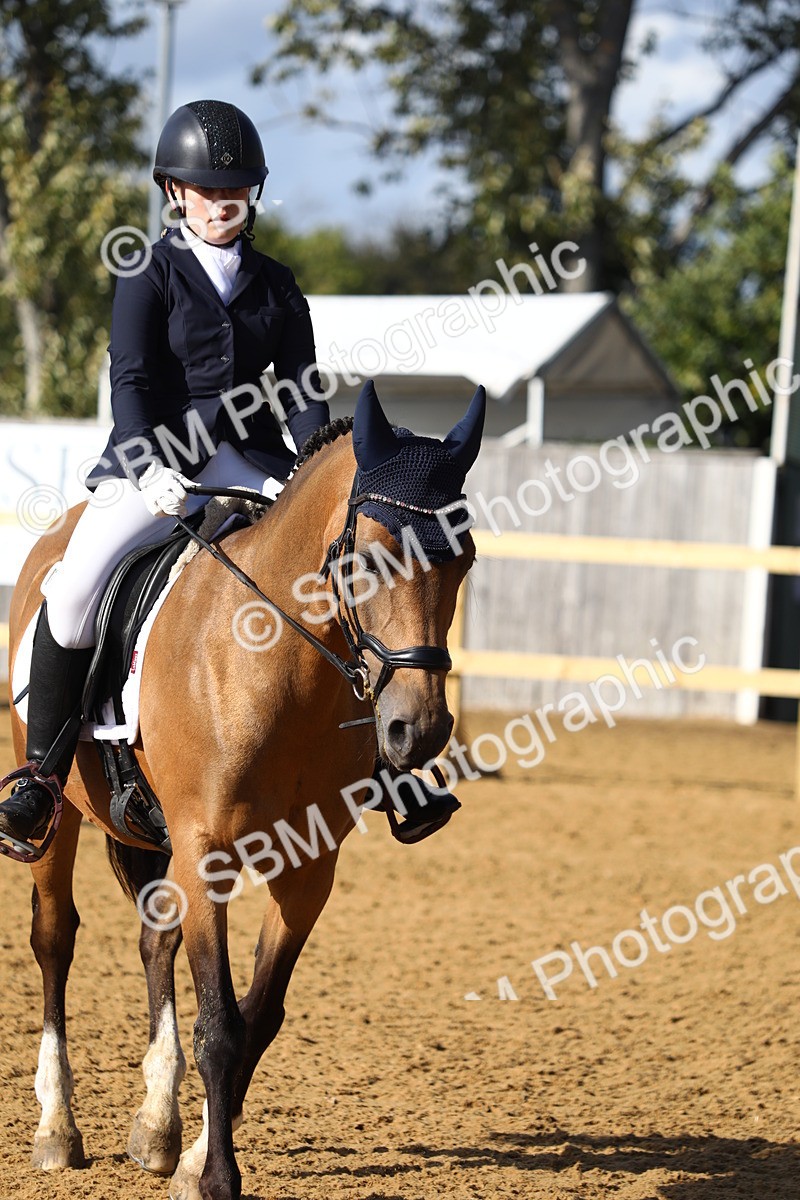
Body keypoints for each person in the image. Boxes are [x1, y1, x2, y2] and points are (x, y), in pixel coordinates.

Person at [0, 99, 331, 846]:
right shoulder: (148, 273)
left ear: (254, 194)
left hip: (251, 461)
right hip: (155, 463)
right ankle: (42, 780)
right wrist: (147, 466)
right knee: (76, 587)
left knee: (342, 564)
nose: (224, 203)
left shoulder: (279, 286)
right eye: (208, 191)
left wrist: (316, 468)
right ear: (175, 193)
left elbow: (304, 393)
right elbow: (133, 383)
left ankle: (380, 763)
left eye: (237, 190)